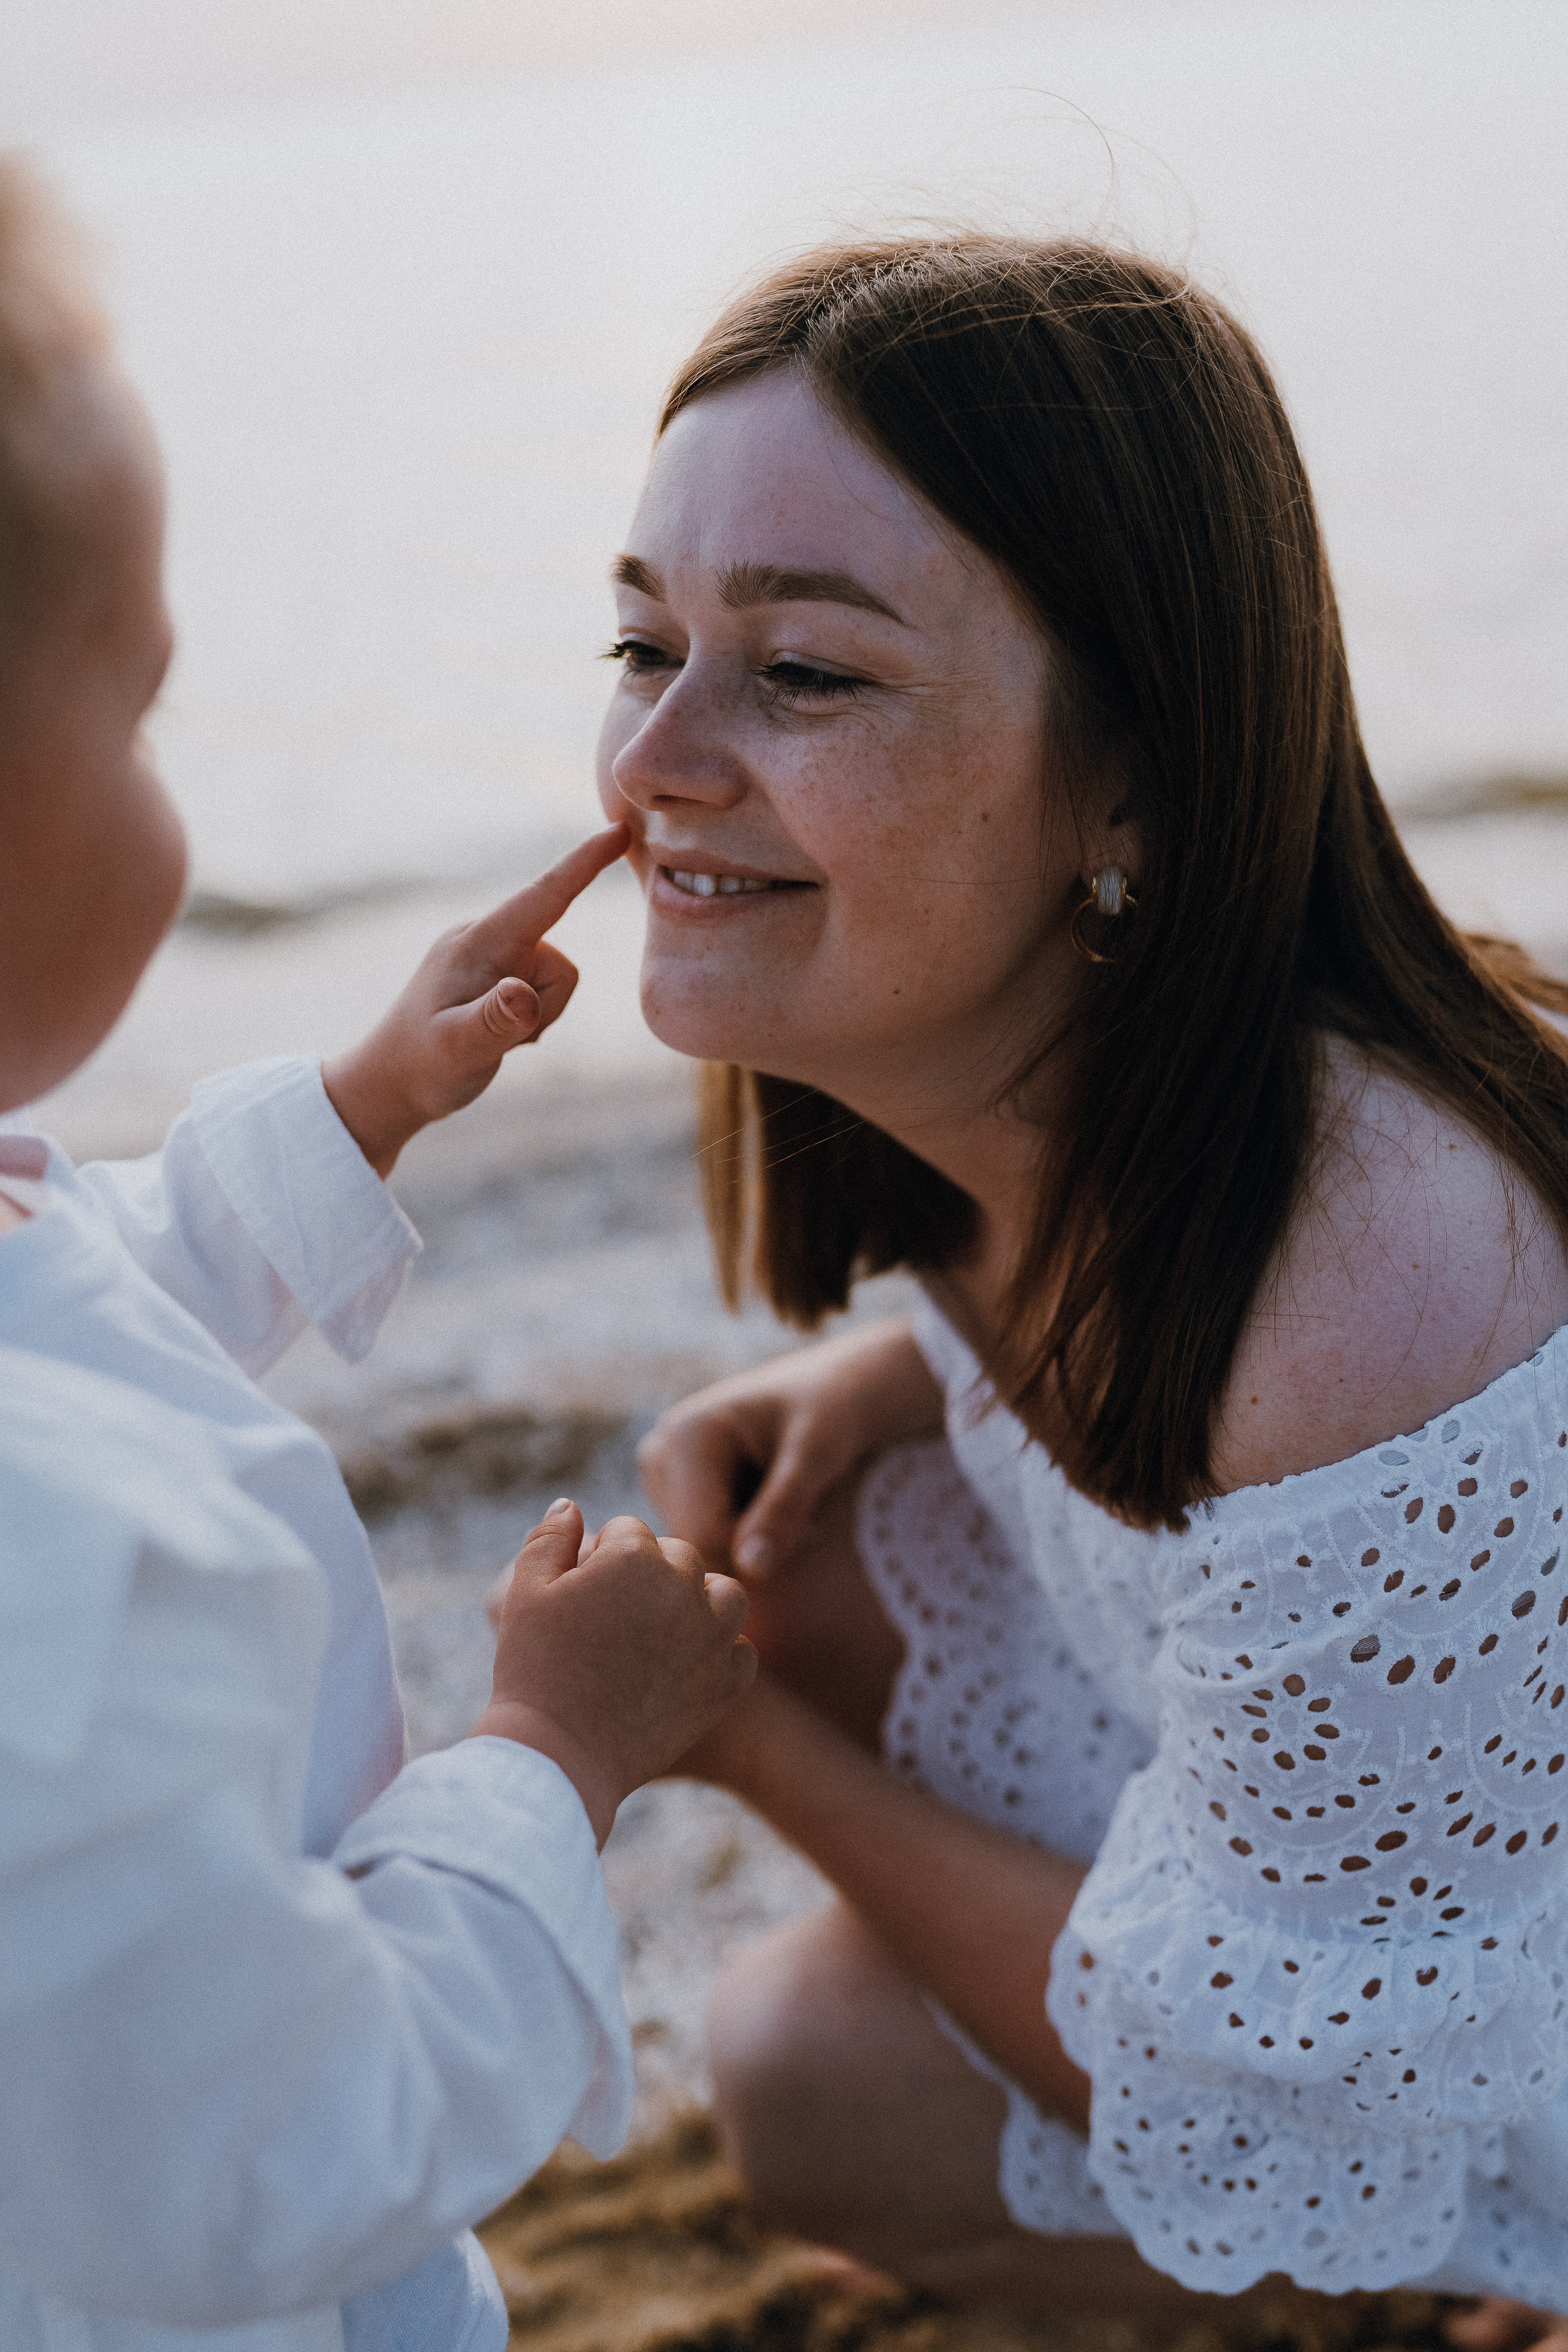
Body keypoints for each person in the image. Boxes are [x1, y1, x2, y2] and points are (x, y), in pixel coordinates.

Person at [598, 233, 1568, 2342]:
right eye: (643, 641)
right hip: (1421, 1844)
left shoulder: (1376, 1269)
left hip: (1501, 2019)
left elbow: (1274, 2084)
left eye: (804, 671)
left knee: (802, 2074)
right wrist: (893, 1382)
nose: (655, 759)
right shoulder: (1031, 1088)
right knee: (824, 1542)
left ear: (1131, 768)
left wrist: (735, 1735)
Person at [0, 157, 754, 2352]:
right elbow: (294, 2132)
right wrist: (546, 1755)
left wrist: (357, 1105)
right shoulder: (51, 1590)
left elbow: (89, 1288)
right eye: (140, 715)